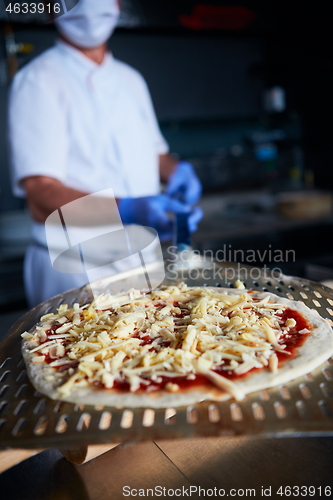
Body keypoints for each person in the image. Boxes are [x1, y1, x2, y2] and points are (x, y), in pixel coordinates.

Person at [8, 0, 202, 308]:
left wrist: (176, 170)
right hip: (76, 267)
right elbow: (40, 195)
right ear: (49, 8)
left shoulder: (131, 79)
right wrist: (125, 209)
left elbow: (154, 153)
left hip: (142, 261)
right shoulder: (38, 80)